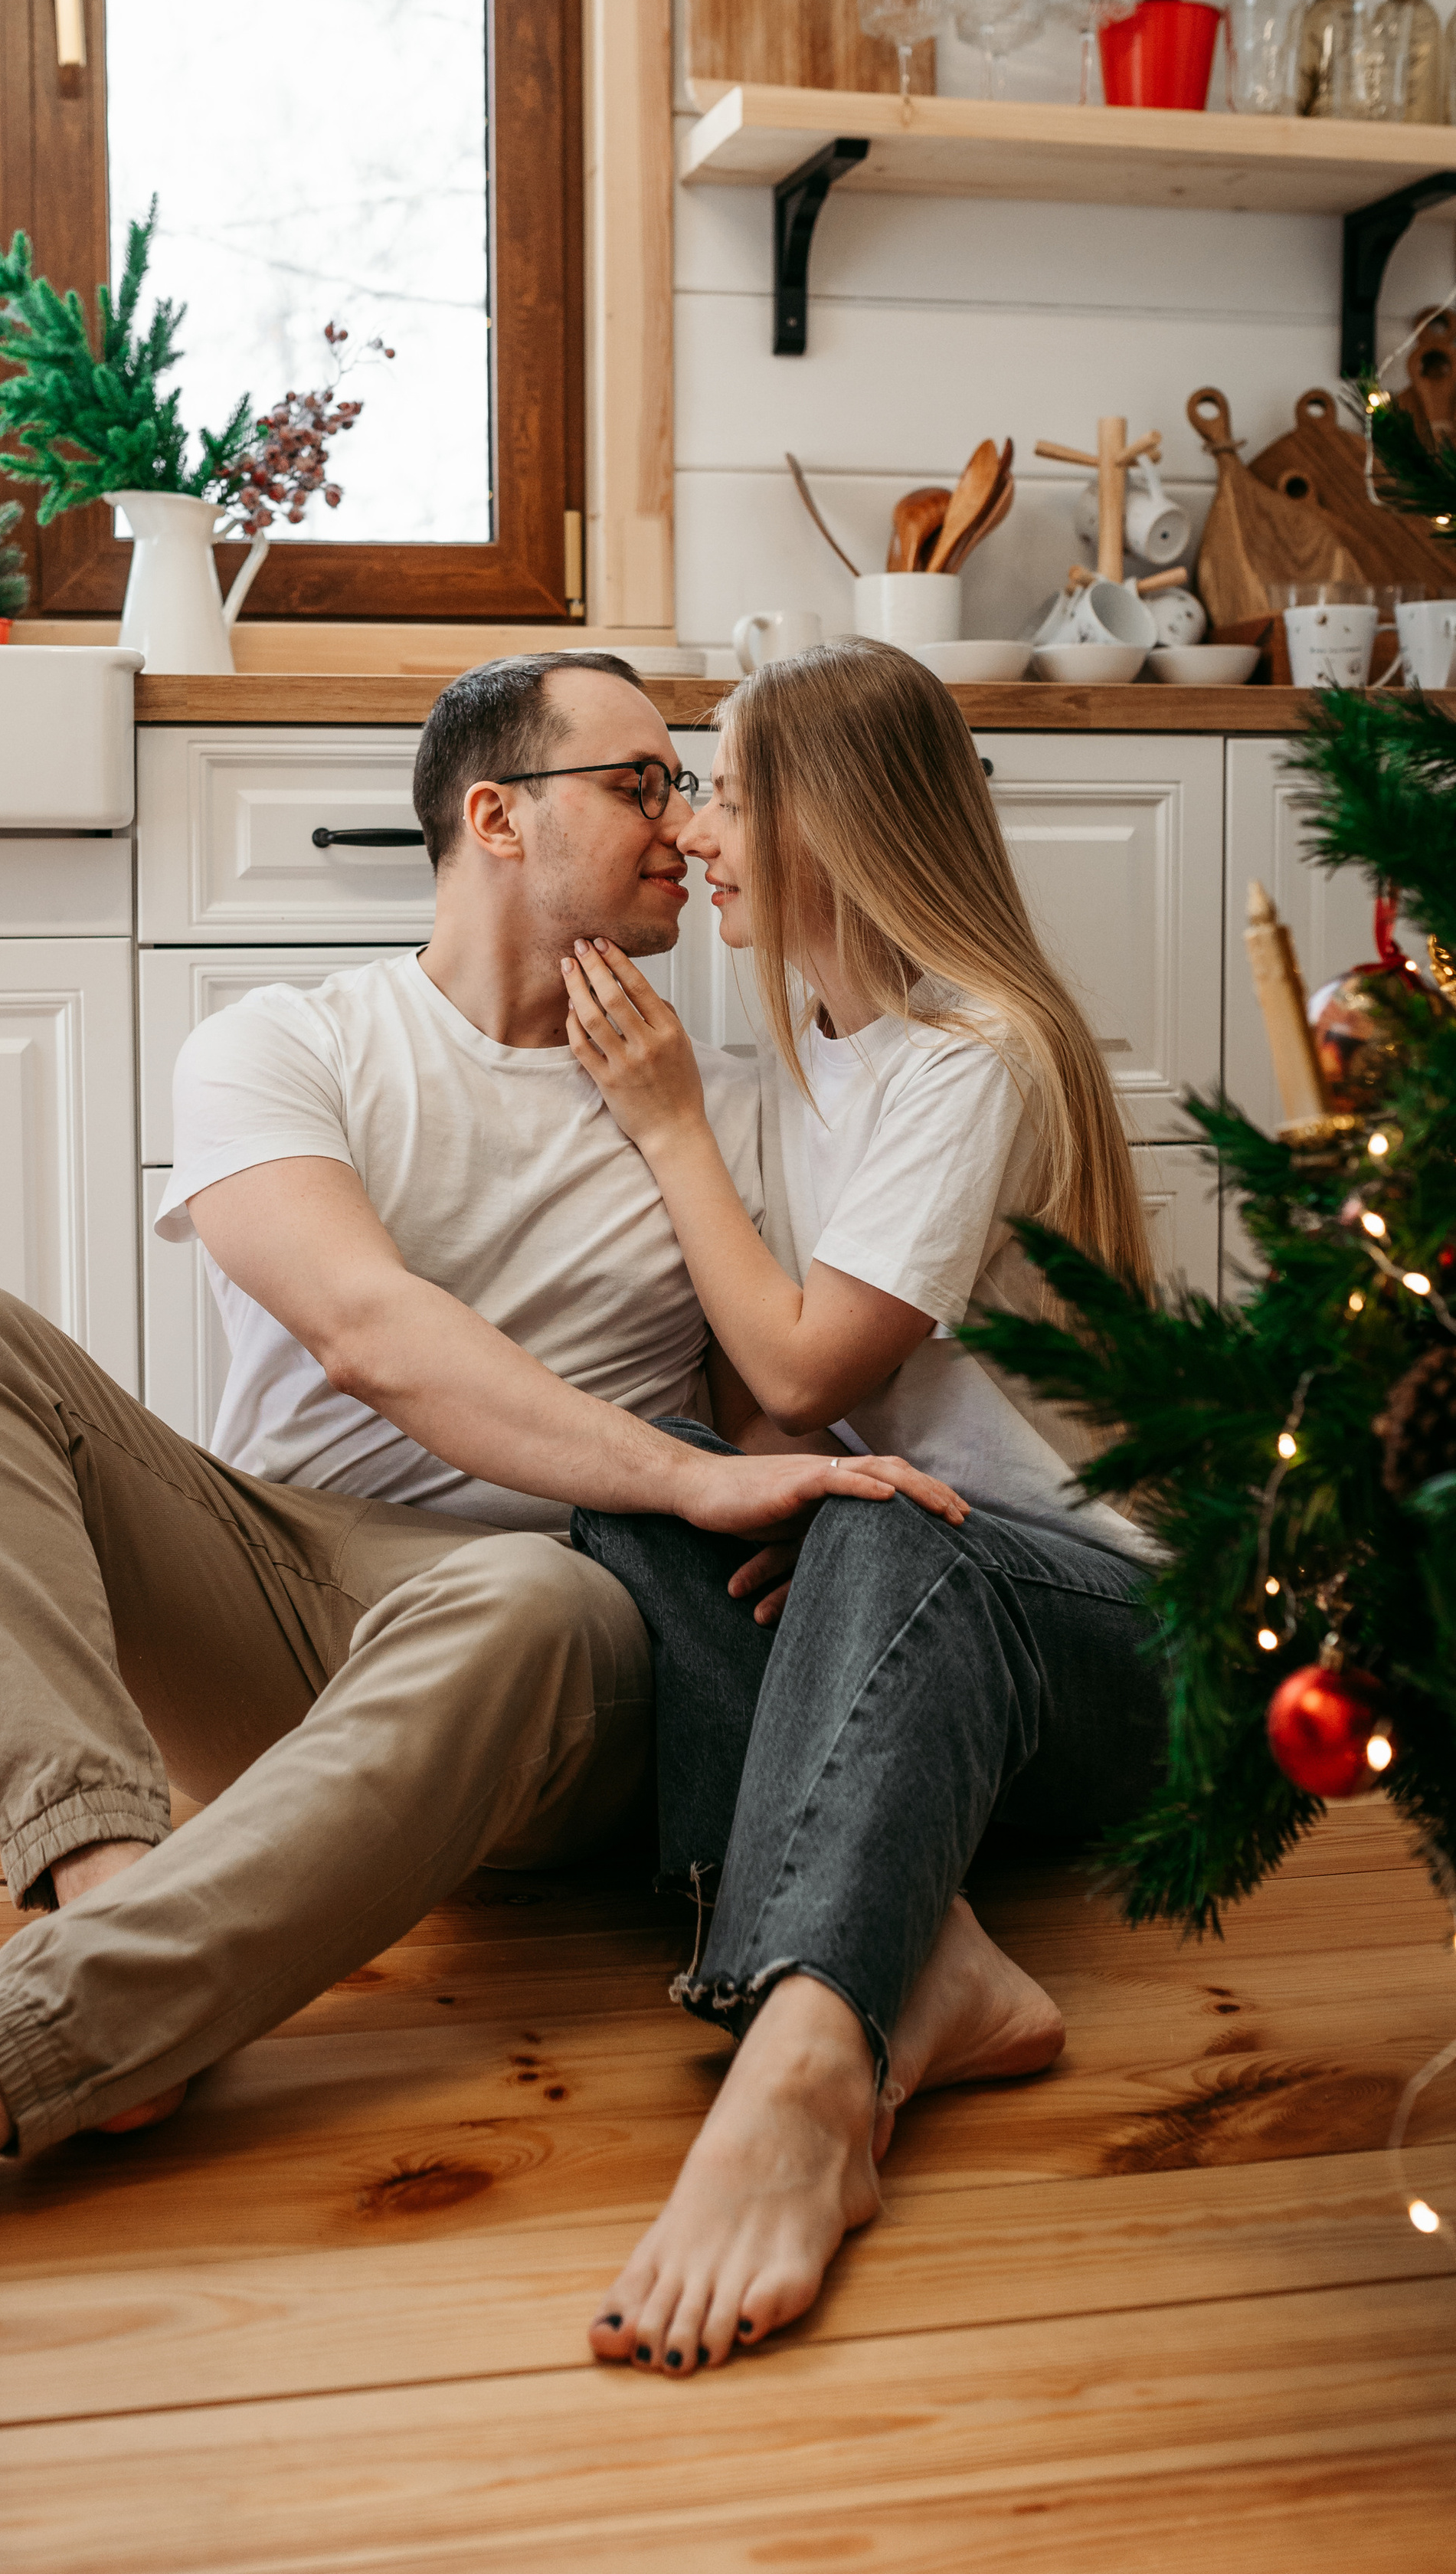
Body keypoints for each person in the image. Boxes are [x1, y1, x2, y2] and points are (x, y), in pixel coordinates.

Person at [0, 649, 967, 2262]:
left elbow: (763, 1414)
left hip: (554, 1631)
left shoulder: (726, 1106)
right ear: (496, 816)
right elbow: (361, 1328)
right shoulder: (284, 1045)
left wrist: (758, 1492)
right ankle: (110, 1906)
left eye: (687, 785)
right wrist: (681, 1474)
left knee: (527, 1592)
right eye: (642, 781)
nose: (686, 822)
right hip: (279, 1576)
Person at [559, 637, 1169, 2378]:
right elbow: (765, 1410)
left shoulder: (972, 1054)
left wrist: (668, 1127)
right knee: (625, 1483)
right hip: (907, 1584)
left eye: (725, 790)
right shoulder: (797, 1067)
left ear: (834, 818)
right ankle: (934, 1960)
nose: (690, 830)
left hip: (1103, 1634)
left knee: (895, 1521)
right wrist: (760, 1492)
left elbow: (814, 1369)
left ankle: (809, 2052)